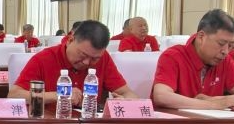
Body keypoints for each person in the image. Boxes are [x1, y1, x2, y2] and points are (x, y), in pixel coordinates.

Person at [10, 20, 138, 106]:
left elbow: (127, 93)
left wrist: (126, 101)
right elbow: (14, 95)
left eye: (94, 59)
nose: (87, 62)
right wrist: (58, 95)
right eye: (83, 55)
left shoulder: (104, 58)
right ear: (70, 40)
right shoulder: (44, 58)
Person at [152, 9, 234, 110]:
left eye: (230, 45)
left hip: (212, 121)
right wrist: (212, 105)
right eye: (221, 43)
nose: (225, 51)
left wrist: (216, 100)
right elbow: (161, 96)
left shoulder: (225, 61)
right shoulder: (173, 56)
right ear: (201, 37)